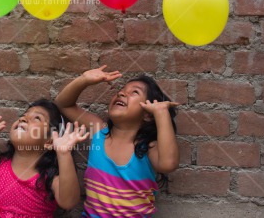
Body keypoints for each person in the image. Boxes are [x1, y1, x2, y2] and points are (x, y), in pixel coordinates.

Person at [55, 66, 179, 217]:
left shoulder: (147, 147)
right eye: (121, 90)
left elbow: (168, 164)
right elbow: (63, 104)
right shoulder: (99, 132)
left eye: (134, 92)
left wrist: (161, 114)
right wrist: (84, 80)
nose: (121, 93)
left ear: (148, 114)